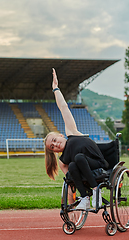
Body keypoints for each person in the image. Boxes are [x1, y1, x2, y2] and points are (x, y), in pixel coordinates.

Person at [44, 68, 109, 210]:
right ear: (54, 151)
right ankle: (85, 198)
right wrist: (70, 208)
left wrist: (56, 89)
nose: (55, 145)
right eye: (52, 147)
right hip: (85, 173)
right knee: (72, 166)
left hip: (97, 164)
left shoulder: (71, 132)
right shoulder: (62, 161)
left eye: (54, 140)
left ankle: (96, 190)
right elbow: (71, 182)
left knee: (78, 158)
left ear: (60, 135)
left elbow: (63, 107)